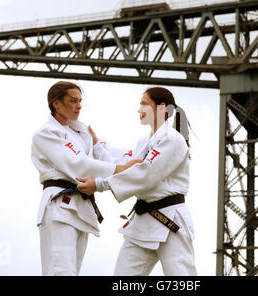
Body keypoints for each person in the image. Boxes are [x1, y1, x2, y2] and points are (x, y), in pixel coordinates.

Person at [77, 86, 197, 276]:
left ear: (161, 107)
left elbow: (145, 173)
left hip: (170, 218)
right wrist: (97, 144)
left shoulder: (173, 140)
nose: (139, 109)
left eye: (144, 104)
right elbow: (124, 163)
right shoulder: (145, 140)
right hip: (143, 221)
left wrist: (100, 184)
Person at [30, 81, 141, 276]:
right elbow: (78, 164)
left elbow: (99, 158)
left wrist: (136, 161)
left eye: (80, 101)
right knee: (60, 272)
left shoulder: (81, 134)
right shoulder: (46, 132)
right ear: (56, 104)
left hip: (80, 206)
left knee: (73, 272)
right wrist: (120, 169)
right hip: (59, 205)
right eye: (73, 101)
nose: (79, 105)